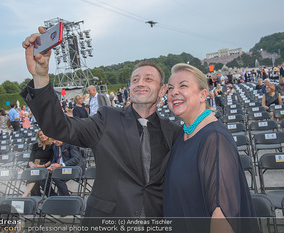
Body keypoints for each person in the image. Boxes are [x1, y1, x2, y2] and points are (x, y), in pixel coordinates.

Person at [21, 28, 180, 217]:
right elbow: (58, 127)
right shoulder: (106, 119)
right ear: (130, 88)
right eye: (135, 79)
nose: (140, 83)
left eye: (148, 79)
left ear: (162, 90)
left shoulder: (175, 132)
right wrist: (40, 76)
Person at [163, 63, 257, 232]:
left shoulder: (214, 139)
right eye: (170, 88)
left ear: (202, 94)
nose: (174, 92)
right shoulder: (183, 134)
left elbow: (223, 216)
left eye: (183, 85)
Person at [22, 129, 53, 197]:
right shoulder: (35, 145)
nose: (42, 136)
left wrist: (42, 166)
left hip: (45, 166)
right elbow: (31, 158)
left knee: (35, 176)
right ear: (38, 137)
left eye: (44, 134)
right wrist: (31, 164)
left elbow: (52, 159)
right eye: (40, 135)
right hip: (35, 166)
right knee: (32, 174)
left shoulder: (52, 145)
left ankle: (27, 195)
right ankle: (36, 199)